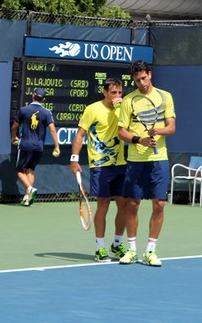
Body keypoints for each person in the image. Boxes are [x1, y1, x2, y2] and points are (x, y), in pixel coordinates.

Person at [117, 60, 176, 267]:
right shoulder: (128, 101)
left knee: (159, 204)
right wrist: (138, 139)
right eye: (137, 80)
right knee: (132, 204)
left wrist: (157, 131)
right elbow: (121, 131)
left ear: (149, 74)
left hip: (158, 160)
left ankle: (150, 251)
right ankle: (132, 250)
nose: (141, 83)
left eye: (143, 78)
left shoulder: (165, 96)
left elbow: (171, 128)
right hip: (136, 160)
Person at [69, 78, 127, 263]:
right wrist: (74, 159)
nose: (117, 96)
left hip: (122, 163)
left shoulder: (124, 109)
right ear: (105, 92)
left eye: (120, 93)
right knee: (103, 204)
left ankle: (117, 244)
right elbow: (80, 134)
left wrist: (120, 108)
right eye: (113, 92)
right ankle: (100, 248)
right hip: (100, 165)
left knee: (124, 205)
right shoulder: (92, 109)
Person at [11, 87, 60, 206]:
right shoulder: (47, 113)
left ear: (33, 96)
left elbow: (14, 126)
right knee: (30, 170)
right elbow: (53, 130)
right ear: (43, 99)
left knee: (19, 170)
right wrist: (56, 146)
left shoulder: (24, 110)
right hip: (38, 147)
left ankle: (29, 188)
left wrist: (14, 137)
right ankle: (27, 198)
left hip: (24, 145)